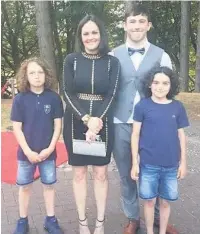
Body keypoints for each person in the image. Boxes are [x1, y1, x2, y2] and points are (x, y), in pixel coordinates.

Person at [112, 3, 179, 234]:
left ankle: (159, 218)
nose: (137, 25)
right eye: (132, 21)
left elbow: (169, 91)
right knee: (126, 173)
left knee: (157, 170)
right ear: (125, 25)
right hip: (121, 122)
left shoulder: (162, 55)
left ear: (148, 25)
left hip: (152, 126)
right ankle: (133, 218)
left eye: (141, 21)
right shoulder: (113, 55)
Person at [62, 15, 120, 234]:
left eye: (94, 32)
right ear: (80, 36)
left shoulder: (112, 62)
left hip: (104, 120)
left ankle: (100, 222)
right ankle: (82, 222)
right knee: (78, 174)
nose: (90, 37)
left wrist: (97, 121)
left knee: (101, 174)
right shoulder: (72, 60)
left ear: (101, 35)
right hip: (76, 121)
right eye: (85, 33)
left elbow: (113, 93)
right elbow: (67, 92)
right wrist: (87, 119)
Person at [131, 66, 189, 234]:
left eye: (165, 83)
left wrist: (183, 163)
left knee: (165, 202)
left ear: (171, 86)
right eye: (156, 82)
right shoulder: (142, 106)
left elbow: (181, 136)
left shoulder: (177, 107)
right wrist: (135, 162)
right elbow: (135, 135)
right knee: (149, 201)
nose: (160, 86)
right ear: (149, 84)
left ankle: (162, 231)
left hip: (171, 165)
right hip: (148, 165)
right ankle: (150, 231)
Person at [11, 57, 64, 234]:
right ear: (25, 75)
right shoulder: (20, 99)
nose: (36, 76)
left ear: (46, 75)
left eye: (40, 72)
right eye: (32, 72)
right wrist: (27, 151)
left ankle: (50, 219)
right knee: (24, 187)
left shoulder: (54, 98)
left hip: (48, 153)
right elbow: (17, 128)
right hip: (26, 154)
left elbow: (58, 125)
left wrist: (50, 148)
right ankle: (22, 220)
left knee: (49, 186)